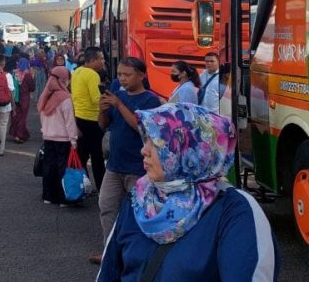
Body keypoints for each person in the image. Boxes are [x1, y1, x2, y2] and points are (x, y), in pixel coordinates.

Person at [98, 103, 279, 281]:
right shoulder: (139, 199)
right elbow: (109, 272)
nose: (143, 150)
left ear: (191, 150)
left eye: (155, 142)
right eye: (145, 140)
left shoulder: (236, 210)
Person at [91, 57, 162, 264]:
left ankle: (136, 255)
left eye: (127, 75)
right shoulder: (117, 96)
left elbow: (141, 127)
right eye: (120, 74)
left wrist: (119, 104)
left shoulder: (150, 100)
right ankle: (109, 252)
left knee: (139, 213)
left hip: (138, 167)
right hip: (114, 164)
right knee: (106, 207)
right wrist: (102, 109)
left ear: (141, 75)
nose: (122, 79)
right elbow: (103, 125)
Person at [38, 66, 77, 205]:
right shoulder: (64, 97)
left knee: (49, 166)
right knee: (62, 168)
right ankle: (63, 198)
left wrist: (45, 131)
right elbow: (70, 121)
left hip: (48, 137)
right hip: (63, 138)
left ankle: (48, 196)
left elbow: (42, 116)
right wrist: (74, 139)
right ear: (63, 80)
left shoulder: (45, 95)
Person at [71, 46, 106, 191]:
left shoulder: (77, 71)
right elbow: (96, 99)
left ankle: (83, 186)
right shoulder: (92, 75)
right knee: (97, 157)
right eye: (101, 58)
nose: (103, 62)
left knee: (82, 156)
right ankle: (102, 188)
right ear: (92, 60)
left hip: (79, 117)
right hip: (92, 119)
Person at [9, 57, 36, 144]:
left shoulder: (14, 74)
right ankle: (19, 135)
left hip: (14, 98)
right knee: (22, 118)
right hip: (24, 99)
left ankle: (15, 133)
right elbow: (32, 88)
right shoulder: (27, 75)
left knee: (15, 116)